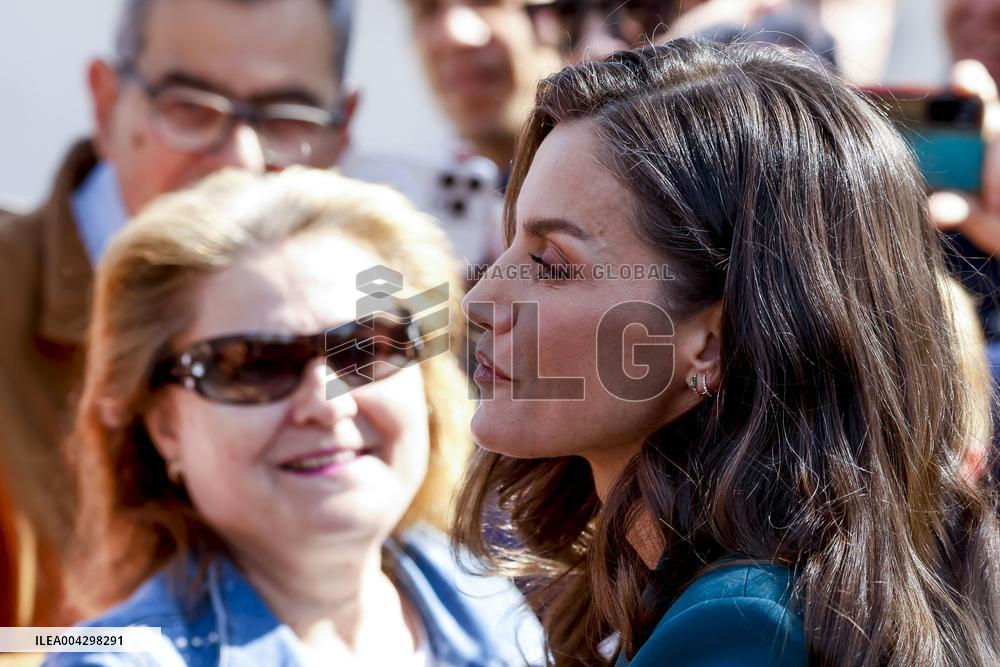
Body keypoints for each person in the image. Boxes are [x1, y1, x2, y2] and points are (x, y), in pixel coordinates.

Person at [455, 39, 1000, 665]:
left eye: (550, 265)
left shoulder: (741, 629)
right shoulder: (800, 597)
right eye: (509, 245)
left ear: (712, 342)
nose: (482, 299)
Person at [45, 167, 543, 666]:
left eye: (364, 350)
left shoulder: (485, 601)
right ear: (165, 427)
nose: (327, 406)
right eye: (254, 366)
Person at [0, 0, 356, 624]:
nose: (240, 159)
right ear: (107, 104)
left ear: (343, 130)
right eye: (190, 108)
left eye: (286, 118)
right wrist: (118, 653)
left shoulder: (392, 323)